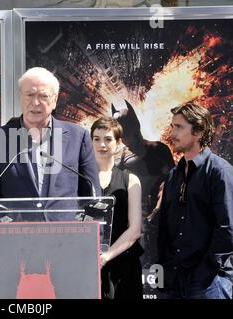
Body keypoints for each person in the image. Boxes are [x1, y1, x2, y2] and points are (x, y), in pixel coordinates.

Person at [0, 67, 101, 219]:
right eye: (29, 95)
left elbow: (92, 197)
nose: (35, 103)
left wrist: (92, 237)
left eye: (43, 96)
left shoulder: (78, 137)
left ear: (55, 100)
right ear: (20, 97)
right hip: (15, 238)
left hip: (67, 238)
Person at [158, 102, 233, 299]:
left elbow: (228, 230)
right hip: (176, 280)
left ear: (198, 132)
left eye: (179, 127)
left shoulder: (219, 171)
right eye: (173, 126)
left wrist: (205, 269)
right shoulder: (174, 175)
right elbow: (166, 226)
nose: (172, 133)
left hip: (209, 282)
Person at [90, 117, 143, 299]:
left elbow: (135, 229)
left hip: (123, 266)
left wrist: (106, 256)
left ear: (119, 143)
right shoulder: (78, 180)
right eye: (96, 139)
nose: (102, 144)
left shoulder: (130, 180)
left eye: (108, 139)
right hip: (88, 265)